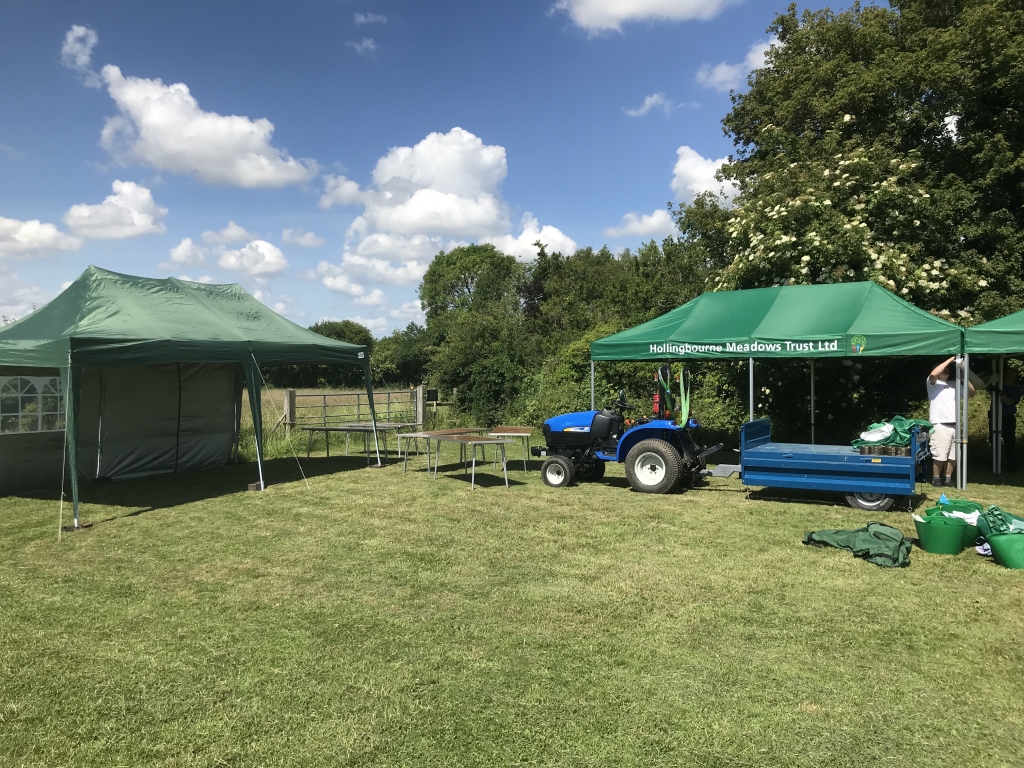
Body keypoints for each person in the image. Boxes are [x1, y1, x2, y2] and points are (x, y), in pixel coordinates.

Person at [927, 357, 975, 487]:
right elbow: (934, 374)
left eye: (948, 369)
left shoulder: (954, 384)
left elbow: (971, 392)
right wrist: (952, 359)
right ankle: (936, 479)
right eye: (945, 369)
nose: (947, 370)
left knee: (953, 455)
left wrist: (964, 376)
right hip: (940, 424)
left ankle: (948, 479)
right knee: (940, 454)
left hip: (954, 424)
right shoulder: (933, 383)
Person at [990, 367, 1021, 472]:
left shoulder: (1016, 390)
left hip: (1007, 417)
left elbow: (1009, 402)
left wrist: (1000, 393)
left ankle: (1011, 467)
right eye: (1008, 373)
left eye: (1012, 375)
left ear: (1015, 378)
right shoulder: (998, 385)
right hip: (995, 415)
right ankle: (994, 464)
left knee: (1009, 441)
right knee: (993, 440)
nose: (1009, 376)